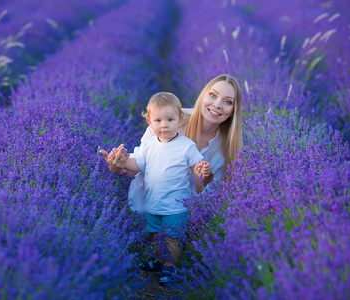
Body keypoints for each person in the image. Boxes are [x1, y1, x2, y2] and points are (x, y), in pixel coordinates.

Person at [100, 74, 243, 280]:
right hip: (155, 201)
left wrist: (203, 177)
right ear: (203, 96)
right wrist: (120, 165)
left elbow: (211, 196)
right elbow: (141, 164)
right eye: (213, 95)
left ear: (233, 111)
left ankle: (171, 264)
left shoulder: (224, 147)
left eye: (227, 102)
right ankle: (160, 260)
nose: (217, 105)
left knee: (172, 237)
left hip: (184, 209)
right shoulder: (167, 119)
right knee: (155, 233)